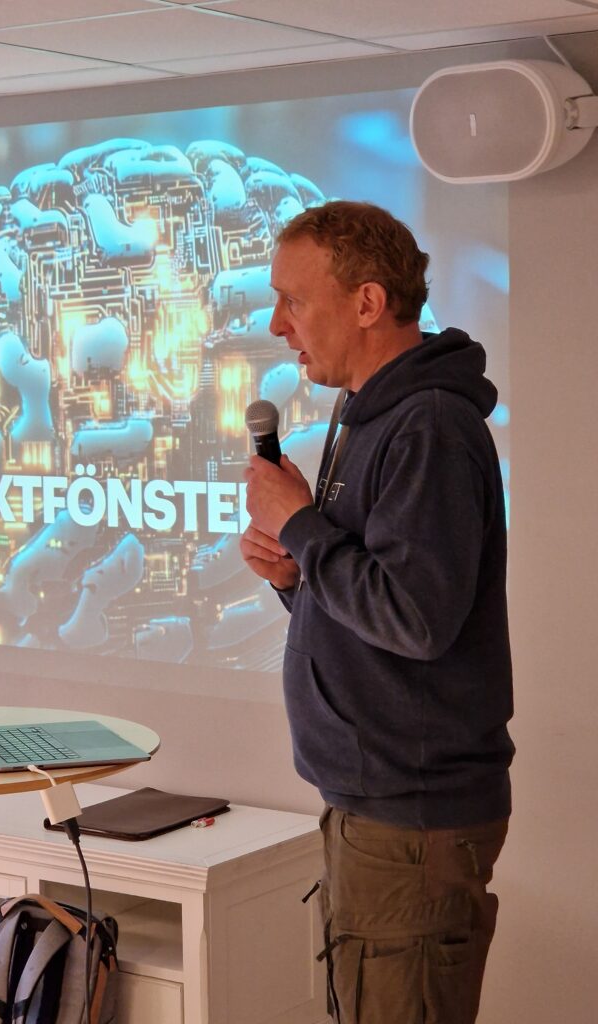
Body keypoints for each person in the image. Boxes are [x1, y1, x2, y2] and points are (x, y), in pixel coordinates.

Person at [240, 201, 514, 1024]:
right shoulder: (366, 412)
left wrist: (301, 524)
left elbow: (417, 621)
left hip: (411, 821)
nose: (277, 324)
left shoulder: (428, 426)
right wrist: (297, 577)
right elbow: (378, 604)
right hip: (374, 811)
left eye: (294, 299)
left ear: (367, 302)